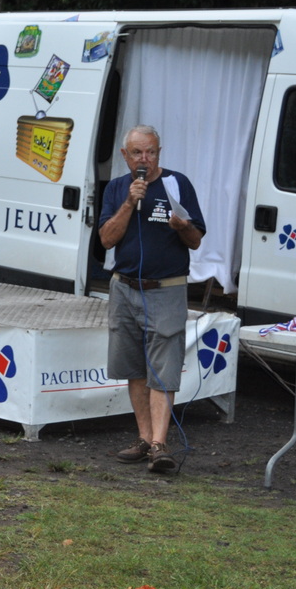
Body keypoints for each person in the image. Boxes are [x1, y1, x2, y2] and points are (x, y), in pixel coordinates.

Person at [98, 125, 205, 473]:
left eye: (151, 152)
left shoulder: (177, 184)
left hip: (166, 288)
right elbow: (107, 240)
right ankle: (144, 439)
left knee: (163, 370)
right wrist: (131, 202)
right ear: (125, 155)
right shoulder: (117, 188)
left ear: (159, 152)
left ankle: (160, 445)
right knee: (134, 368)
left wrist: (182, 227)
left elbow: (196, 240)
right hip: (124, 287)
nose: (145, 159)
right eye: (137, 153)